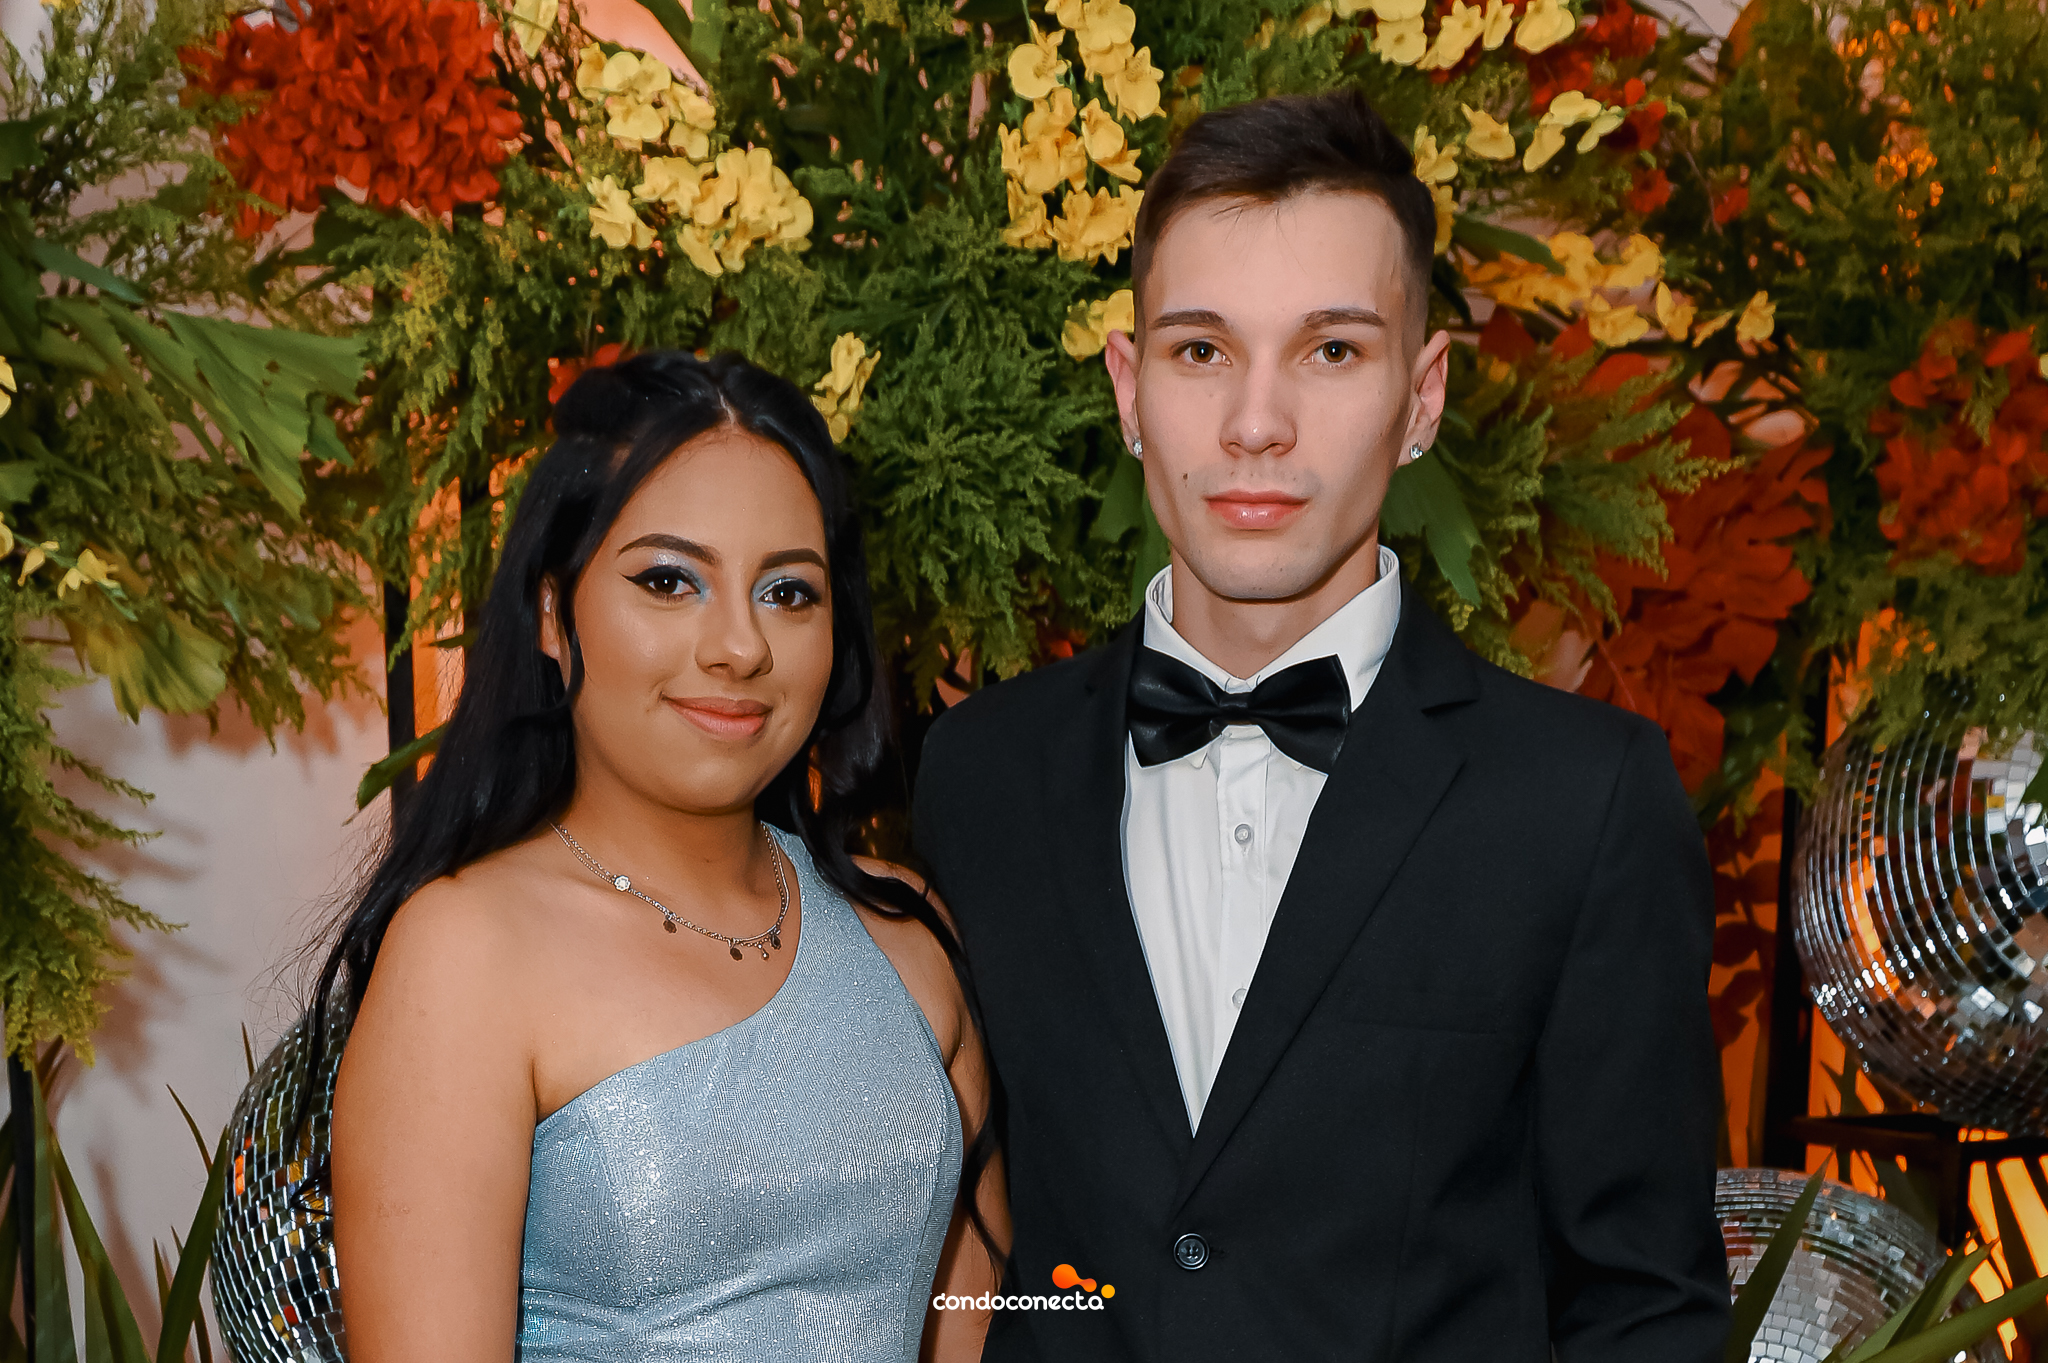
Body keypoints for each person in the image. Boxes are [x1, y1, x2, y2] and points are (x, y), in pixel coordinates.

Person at [912, 88, 1727, 1362]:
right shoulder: (979, 774)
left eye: (1331, 351)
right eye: (1200, 351)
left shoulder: (1581, 803)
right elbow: (968, 1252)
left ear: (1422, 395)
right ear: (1128, 388)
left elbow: (1644, 1310)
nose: (1255, 424)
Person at [320, 351, 1003, 1362]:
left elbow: (973, 1323)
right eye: (669, 580)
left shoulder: (908, 935)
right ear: (553, 614)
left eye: (788, 591)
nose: (739, 646)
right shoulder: (467, 951)